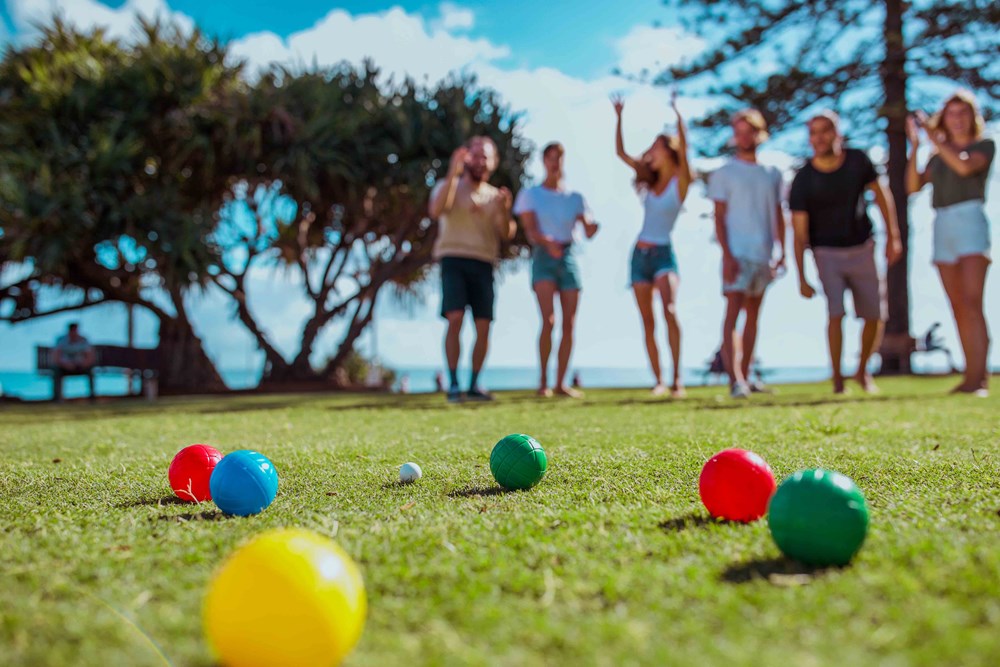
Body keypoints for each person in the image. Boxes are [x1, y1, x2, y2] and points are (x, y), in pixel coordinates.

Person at [790, 111, 903, 394]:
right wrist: (802, 276)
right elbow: (799, 232)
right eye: (813, 132)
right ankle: (838, 378)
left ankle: (862, 371)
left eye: (825, 130)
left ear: (837, 133)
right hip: (825, 252)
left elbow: (881, 194)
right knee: (836, 313)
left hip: (862, 247)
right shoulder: (803, 179)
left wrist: (893, 236)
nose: (819, 137)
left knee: (875, 315)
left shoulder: (857, 161)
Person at [906, 90, 994, 396]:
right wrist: (917, 145)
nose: (957, 120)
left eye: (962, 113)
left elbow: (965, 166)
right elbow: (913, 186)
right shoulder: (936, 153)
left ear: (972, 117)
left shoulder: (984, 145)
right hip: (941, 224)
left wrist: (935, 139)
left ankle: (978, 378)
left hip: (969, 221)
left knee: (972, 304)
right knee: (957, 307)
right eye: (951, 114)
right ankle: (970, 376)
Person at [613, 93, 692, 397]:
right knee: (648, 321)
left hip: (663, 254)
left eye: (657, 147)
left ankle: (677, 380)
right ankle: (659, 380)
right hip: (639, 256)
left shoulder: (680, 183)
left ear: (669, 152)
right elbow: (621, 152)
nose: (651, 152)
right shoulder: (648, 181)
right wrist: (619, 116)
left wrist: (679, 116)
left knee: (669, 310)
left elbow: (685, 150)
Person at [428, 136, 516, 403]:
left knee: (483, 325)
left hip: (484, 262)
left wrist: (506, 210)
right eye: (475, 154)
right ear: (465, 157)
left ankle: (475, 383)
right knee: (454, 318)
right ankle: (454, 383)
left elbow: (506, 233)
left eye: (485, 156)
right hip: (453, 258)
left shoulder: (494, 196)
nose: (479, 160)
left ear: (493, 162)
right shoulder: (448, 186)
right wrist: (453, 174)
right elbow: (436, 210)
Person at [707, 109, 786, 399]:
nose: (743, 137)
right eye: (737, 132)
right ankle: (735, 379)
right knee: (732, 314)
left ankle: (748, 374)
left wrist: (782, 251)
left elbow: (779, 214)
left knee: (753, 316)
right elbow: (718, 216)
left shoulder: (772, 173)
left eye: (748, 131)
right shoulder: (724, 173)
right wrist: (727, 254)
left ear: (758, 132)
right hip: (737, 254)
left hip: (763, 253)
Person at [514, 142, 598, 398]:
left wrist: (594, 227)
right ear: (543, 161)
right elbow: (529, 230)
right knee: (549, 320)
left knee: (569, 323)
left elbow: (588, 228)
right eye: (550, 158)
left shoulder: (575, 198)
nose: (555, 163)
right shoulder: (532, 195)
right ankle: (543, 382)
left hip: (569, 255)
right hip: (543, 256)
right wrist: (547, 242)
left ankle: (561, 382)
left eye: (559, 158)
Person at [52, 322, 96, 402]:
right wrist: (65, 364)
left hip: (80, 366)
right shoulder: (61, 340)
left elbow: (89, 356)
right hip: (64, 367)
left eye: (76, 330)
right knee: (56, 371)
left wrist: (84, 364)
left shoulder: (83, 340)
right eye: (72, 330)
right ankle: (57, 398)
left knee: (90, 370)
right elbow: (56, 357)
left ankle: (92, 397)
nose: (74, 332)